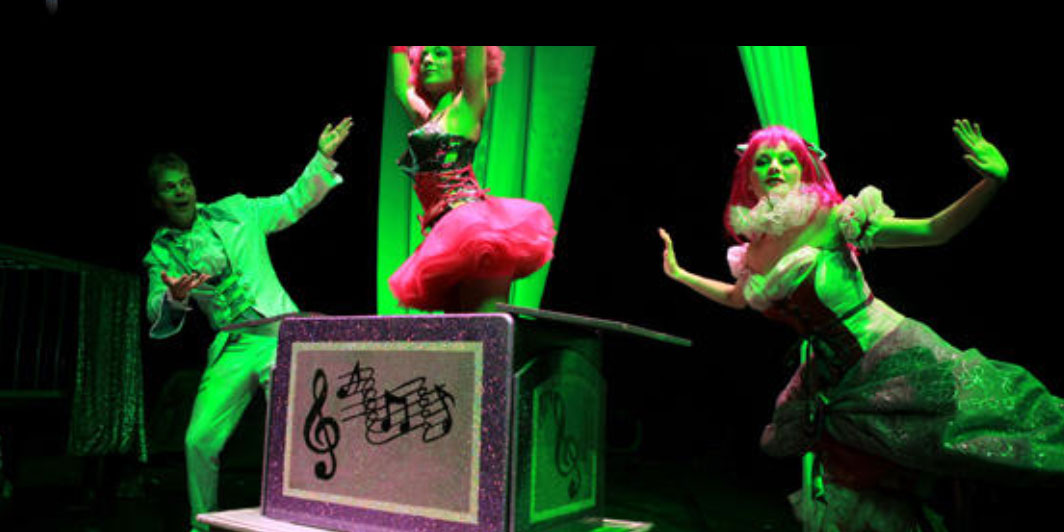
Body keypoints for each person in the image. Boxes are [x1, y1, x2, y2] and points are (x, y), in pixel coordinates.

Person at [659, 120, 1064, 530]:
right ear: (749, 177)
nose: (776, 167)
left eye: (787, 159)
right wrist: (680, 274)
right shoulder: (754, 250)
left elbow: (933, 230)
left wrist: (991, 183)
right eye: (763, 161)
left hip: (893, 354)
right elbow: (737, 297)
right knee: (866, 487)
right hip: (836, 377)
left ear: (803, 169)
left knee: (990, 433)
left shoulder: (831, 218)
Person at [142, 117, 352, 531]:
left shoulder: (237, 211)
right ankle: (201, 525)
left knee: (290, 424)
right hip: (233, 345)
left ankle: (303, 514)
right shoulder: (161, 254)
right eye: (169, 187)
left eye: (185, 183)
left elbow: (291, 202)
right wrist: (174, 297)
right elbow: (155, 308)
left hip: (279, 335)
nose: (181, 191)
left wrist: (322, 157)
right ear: (157, 200)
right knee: (198, 439)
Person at [388, 45, 555, 312]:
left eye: (439, 53)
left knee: (484, 328)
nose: (428, 60)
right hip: (445, 235)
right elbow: (401, 88)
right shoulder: (427, 118)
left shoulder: (467, 104)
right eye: (424, 55)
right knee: (459, 331)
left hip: (475, 230)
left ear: (459, 62)